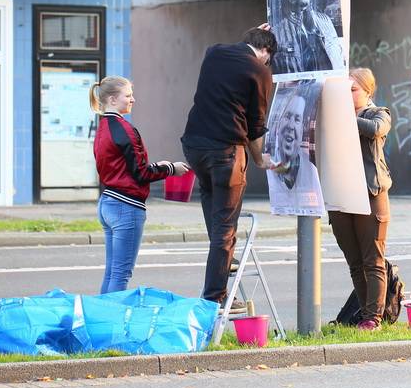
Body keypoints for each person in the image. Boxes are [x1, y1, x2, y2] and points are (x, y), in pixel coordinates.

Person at [181, 26, 278, 314]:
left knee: (211, 199)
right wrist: (260, 160)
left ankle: (224, 261)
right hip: (226, 151)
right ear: (266, 53)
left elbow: (242, 46)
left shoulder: (214, 53)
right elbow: (255, 125)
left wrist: (252, 34)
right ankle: (215, 297)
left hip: (195, 146)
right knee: (225, 228)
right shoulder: (260, 71)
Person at [90, 76, 189, 294]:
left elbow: (124, 167)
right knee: (121, 274)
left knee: (112, 272)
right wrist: (171, 169)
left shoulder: (103, 127)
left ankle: (102, 319)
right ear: (113, 99)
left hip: (107, 201)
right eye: (128, 95)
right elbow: (141, 172)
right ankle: (112, 323)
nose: (133, 99)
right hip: (126, 206)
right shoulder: (125, 129)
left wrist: (158, 165)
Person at [328, 68, 393, 331]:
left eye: (352, 90)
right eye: (343, 91)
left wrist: (344, 116)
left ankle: (373, 318)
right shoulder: (335, 117)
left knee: (373, 260)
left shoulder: (379, 113)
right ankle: (365, 313)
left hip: (371, 194)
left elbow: (376, 130)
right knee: (355, 262)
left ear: (368, 91)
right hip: (341, 194)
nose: (347, 95)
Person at [267, 90, 323, 213]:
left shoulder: (310, 170)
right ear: (278, 123)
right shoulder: (268, 160)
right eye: (287, 117)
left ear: (303, 129)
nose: (291, 126)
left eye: (297, 119)